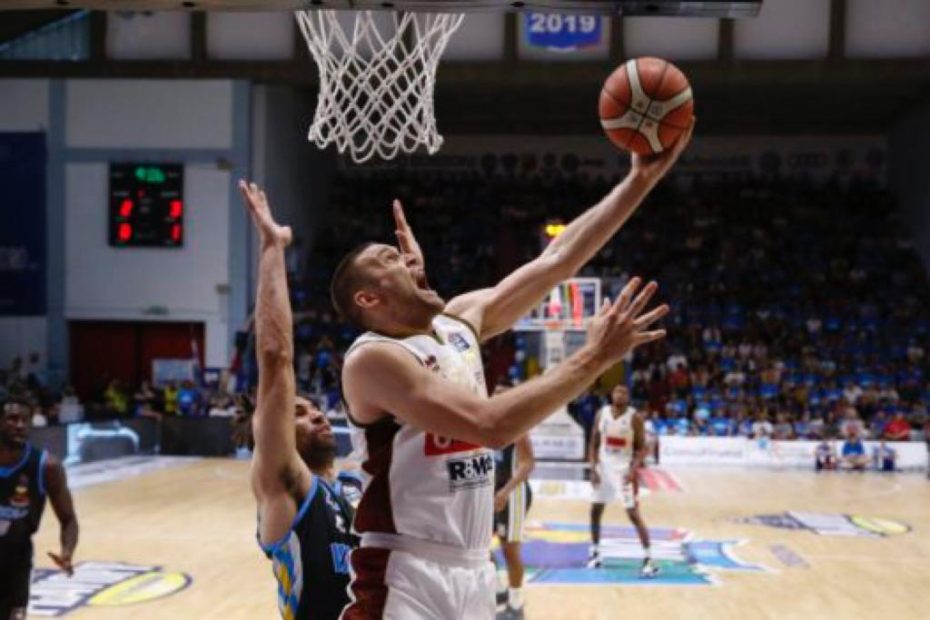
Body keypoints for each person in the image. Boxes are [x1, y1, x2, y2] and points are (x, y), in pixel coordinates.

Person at [336, 123, 692, 619]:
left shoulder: (460, 321)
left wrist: (640, 181)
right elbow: (490, 425)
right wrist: (593, 358)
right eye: (391, 259)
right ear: (369, 298)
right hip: (403, 568)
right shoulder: (373, 358)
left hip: (475, 567)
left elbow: (558, 260)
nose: (413, 259)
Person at [239, 181, 361, 620]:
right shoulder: (286, 485)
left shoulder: (353, 486)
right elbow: (275, 359)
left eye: (317, 409)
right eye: (300, 413)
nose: (318, 416)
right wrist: (273, 248)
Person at [1, 397, 79, 620]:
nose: (20, 425)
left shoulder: (47, 467)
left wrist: (67, 552)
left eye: (25, 420)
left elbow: (68, 519)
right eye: (12, 419)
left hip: (16, 559)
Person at [587, 384, 658, 578]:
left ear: (628, 397)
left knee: (633, 513)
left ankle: (649, 558)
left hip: (623, 470)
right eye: (617, 391)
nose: (620, 394)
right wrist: (593, 469)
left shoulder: (634, 418)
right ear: (612, 394)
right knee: (595, 510)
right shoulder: (601, 414)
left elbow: (642, 448)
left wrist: (633, 470)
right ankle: (595, 551)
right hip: (603, 468)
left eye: (624, 392)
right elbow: (593, 442)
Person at [491, 384, 536, 620]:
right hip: (492, 492)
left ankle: (516, 604)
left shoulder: (517, 426)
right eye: (494, 395)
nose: (496, 399)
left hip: (514, 494)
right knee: (476, 543)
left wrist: (505, 492)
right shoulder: (486, 423)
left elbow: (528, 464)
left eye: (502, 395)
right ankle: (499, 588)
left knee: (509, 550)